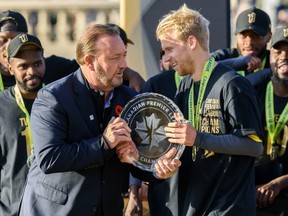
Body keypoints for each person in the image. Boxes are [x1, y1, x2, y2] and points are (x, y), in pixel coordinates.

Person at [151, 4, 264, 215]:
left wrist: (199, 139)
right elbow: (183, 140)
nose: (166, 58)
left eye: (170, 49)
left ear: (191, 42)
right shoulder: (184, 85)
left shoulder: (232, 84)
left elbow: (254, 146)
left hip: (228, 208)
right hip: (195, 205)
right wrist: (164, 163)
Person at [18, 24, 140, 216]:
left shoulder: (129, 98)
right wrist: (105, 143)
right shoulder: (53, 97)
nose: (124, 64)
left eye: (124, 55)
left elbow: (137, 162)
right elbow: (50, 158)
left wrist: (147, 164)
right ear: (89, 61)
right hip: (57, 211)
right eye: (115, 58)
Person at [0, 10, 145, 93]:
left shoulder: (49, 67)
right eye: (3, 40)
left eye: (15, 39)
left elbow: (95, 64)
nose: (8, 46)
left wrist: (131, 74)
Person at [0, 33, 45, 216]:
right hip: (10, 210)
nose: (32, 72)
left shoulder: (58, 101)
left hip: (50, 209)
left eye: (37, 64)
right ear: (10, 69)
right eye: (23, 66)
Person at [247, 26, 288, 215]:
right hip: (251, 194)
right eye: (279, 51)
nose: (284, 57)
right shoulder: (251, 89)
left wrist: (279, 183)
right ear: (270, 55)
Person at [211, 7, 272, 75]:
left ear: (269, 37)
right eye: (243, 35)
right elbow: (202, 67)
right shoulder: (224, 56)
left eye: (256, 36)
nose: (249, 43)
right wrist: (239, 62)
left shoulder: (274, 62)